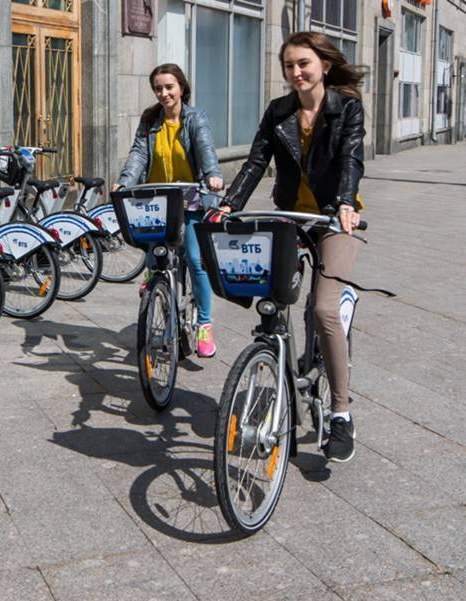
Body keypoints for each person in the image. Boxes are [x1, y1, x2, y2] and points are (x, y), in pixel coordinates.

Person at [220, 31, 365, 463]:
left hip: (333, 217)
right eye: (289, 66)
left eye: (303, 63)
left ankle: (341, 413)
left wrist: (344, 203)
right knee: (274, 296)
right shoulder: (278, 111)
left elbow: (351, 160)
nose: (296, 72)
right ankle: (281, 365)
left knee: (322, 309)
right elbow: (256, 161)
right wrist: (229, 204)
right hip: (292, 216)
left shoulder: (346, 108)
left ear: (323, 64)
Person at [113, 63, 224, 358]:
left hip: (192, 199)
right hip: (159, 199)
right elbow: (139, 154)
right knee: (154, 247)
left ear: (182, 88)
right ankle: (154, 274)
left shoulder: (195, 118)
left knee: (196, 260)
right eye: (158, 88)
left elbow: (205, 149)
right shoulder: (151, 120)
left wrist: (212, 176)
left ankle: (204, 324)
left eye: (169, 87)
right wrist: (124, 182)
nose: (164, 93)